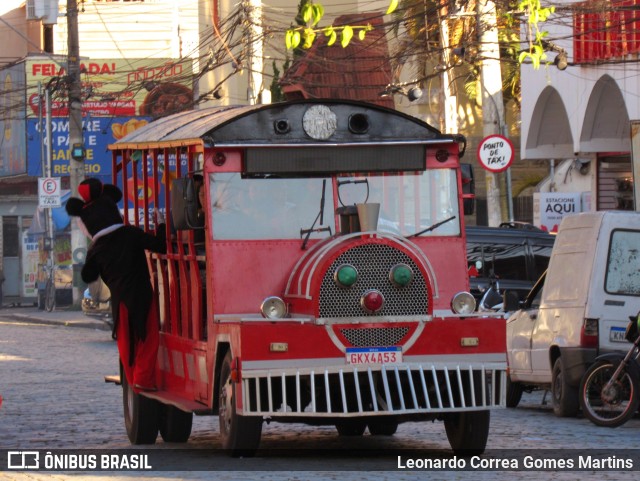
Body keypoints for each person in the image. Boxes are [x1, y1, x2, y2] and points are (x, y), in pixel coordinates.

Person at [66, 178, 166, 392]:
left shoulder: (96, 249)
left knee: (126, 344)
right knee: (147, 339)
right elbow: (160, 245)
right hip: (142, 294)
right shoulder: (130, 234)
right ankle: (143, 378)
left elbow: (87, 274)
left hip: (119, 300)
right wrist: (162, 225)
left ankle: (134, 379)